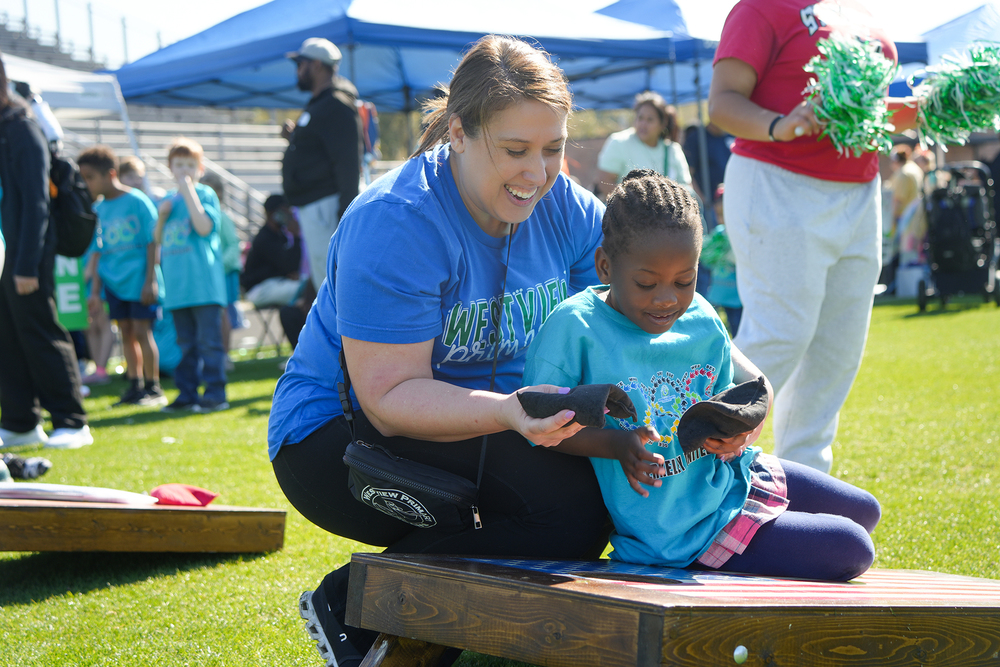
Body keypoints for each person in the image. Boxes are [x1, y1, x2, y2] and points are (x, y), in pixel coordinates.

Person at [269, 35, 611, 667]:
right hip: (334, 438)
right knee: (568, 513)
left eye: (554, 148)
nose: (538, 173)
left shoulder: (563, 205)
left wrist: (728, 375)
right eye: (515, 150)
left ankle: (413, 615)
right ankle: (354, 604)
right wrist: (508, 411)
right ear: (458, 132)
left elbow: (632, 311)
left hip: (483, 420)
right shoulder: (396, 220)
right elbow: (388, 399)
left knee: (588, 496)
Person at [523, 169, 880, 580]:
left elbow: (726, 398)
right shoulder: (576, 327)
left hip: (735, 475)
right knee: (853, 548)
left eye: (684, 280)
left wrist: (733, 431)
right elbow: (539, 423)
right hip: (682, 532)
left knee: (866, 510)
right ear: (605, 266)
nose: (666, 299)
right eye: (646, 283)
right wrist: (615, 445)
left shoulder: (701, 316)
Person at [707, 0, 920, 473]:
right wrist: (779, 126)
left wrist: (934, 107)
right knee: (779, 336)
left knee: (837, 351)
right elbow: (722, 103)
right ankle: (692, 459)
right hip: (778, 181)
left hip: (861, 190)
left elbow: (869, 112)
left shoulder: (862, 12)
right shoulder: (762, 7)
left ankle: (804, 480)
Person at [0, 53, 92, 450]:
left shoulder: (22, 128)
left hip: (26, 254)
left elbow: (37, 203)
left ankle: (72, 421)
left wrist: (25, 265)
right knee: (7, 337)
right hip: (4, 254)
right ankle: (20, 421)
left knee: (40, 333)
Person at [78, 145, 166, 408]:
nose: (87, 184)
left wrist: (150, 280)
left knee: (142, 331)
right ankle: (135, 384)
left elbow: (152, 242)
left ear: (111, 174)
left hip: (139, 281)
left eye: (90, 177)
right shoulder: (98, 209)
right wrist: (95, 292)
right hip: (114, 283)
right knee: (125, 332)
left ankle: (153, 387)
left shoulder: (137, 201)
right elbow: (98, 253)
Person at [281, 37, 362, 292]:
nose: (298, 71)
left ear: (316, 65)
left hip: (326, 208)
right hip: (315, 207)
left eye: (300, 64)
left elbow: (349, 163)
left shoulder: (336, 104)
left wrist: (344, 217)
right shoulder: (321, 103)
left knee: (333, 286)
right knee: (325, 283)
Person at [154, 137, 228, 413]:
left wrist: (189, 192)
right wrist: (162, 216)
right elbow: (157, 239)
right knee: (185, 345)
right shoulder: (167, 201)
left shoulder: (205, 195)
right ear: (170, 168)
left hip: (204, 287)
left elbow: (204, 227)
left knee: (209, 344)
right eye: (179, 165)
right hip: (177, 289)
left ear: (200, 168)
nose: (184, 170)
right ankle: (187, 394)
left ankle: (215, 394)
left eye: (190, 165)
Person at [596, 91, 691, 201]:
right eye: (640, 118)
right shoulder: (619, 142)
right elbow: (604, 182)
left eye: (650, 119)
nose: (643, 124)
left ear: (662, 123)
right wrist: (632, 205)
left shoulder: (672, 150)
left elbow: (686, 188)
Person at [201, 172, 244, 372]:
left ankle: (224, 355)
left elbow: (232, 246)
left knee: (223, 313)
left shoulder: (222, 217)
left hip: (224, 273)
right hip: (211, 274)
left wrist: (218, 265)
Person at [240, 194, 303, 309]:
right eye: (285, 210)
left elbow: (291, 267)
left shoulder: (280, 235)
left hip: (275, 283)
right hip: (258, 289)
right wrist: (296, 236)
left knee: (310, 283)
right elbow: (288, 265)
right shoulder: (264, 238)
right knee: (302, 289)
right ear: (272, 213)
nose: (289, 214)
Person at [701, 185, 742, 336]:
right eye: (719, 215)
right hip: (721, 291)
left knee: (738, 327)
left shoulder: (740, 236)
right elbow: (706, 256)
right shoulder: (719, 234)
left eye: (725, 214)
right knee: (722, 327)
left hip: (738, 295)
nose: (722, 219)